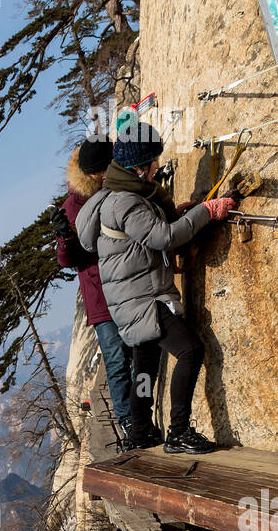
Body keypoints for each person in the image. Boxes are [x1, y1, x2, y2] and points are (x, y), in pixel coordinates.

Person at [75, 119, 234, 454]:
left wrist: (179, 213)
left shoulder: (119, 197)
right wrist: (206, 211)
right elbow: (163, 237)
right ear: (139, 167)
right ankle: (178, 432)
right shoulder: (126, 202)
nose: (158, 166)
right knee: (191, 350)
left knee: (144, 368)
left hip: (130, 301)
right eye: (153, 160)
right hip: (144, 300)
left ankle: (141, 431)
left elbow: (147, 231)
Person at [53, 137, 136, 447]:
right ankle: (128, 419)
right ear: (93, 173)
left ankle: (139, 413)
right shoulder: (72, 206)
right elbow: (66, 260)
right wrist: (65, 239)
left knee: (137, 351)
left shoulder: (115, 188)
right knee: (116, 359)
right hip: (101, 295)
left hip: (129, 284)